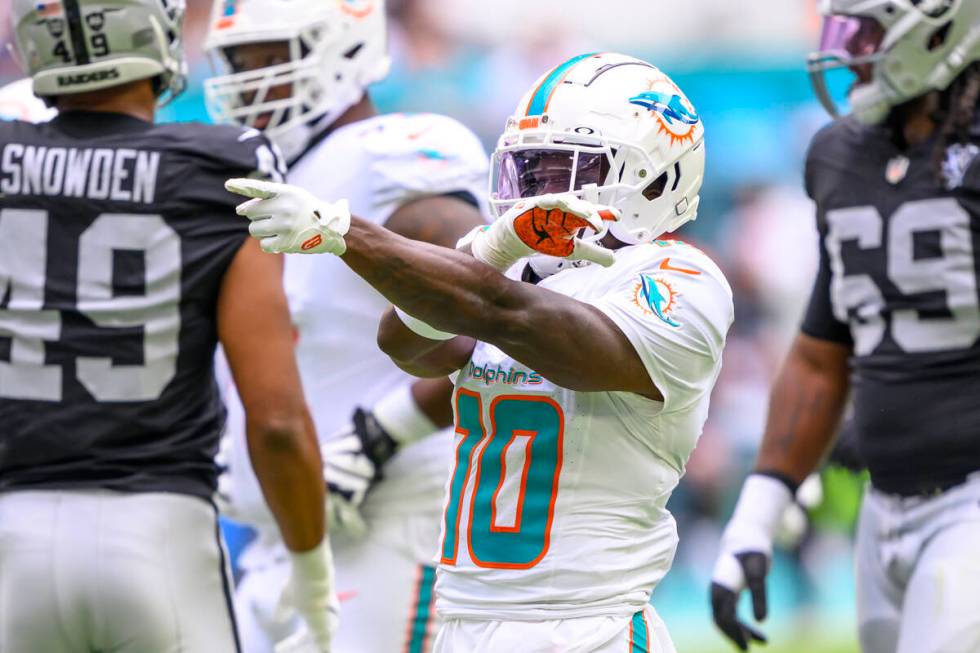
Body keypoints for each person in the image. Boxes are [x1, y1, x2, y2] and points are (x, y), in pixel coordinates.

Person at [226, 51, 734, 653]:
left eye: (565, 171)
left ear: (654, 176)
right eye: (531, 172)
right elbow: (408, 345)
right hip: (467, 618)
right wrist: (491, 252)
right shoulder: (514, 265)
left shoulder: (680, 279)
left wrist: (345, 234)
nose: (541, 194)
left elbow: (519, 321)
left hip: (585, 626)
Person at [0, 1, 336, 652]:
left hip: (10, 538)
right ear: (152, 29)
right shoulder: (223, 166)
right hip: (158, 535)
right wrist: (313, 574)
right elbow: (275, 421)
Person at [202, 0, 489, 650]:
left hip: (390, 522)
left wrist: (382, 432)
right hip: (284, 535)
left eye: (267, 55)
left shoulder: (391, 156)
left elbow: (498, 312)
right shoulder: (273, 174)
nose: (245, 77)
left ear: (343, 47)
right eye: (236, 60)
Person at [710, 2, 980, 652]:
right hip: (881, 504)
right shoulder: (841, 154)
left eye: (868, 34)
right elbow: (821, 348)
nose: (850, 51)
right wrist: (758, 512)